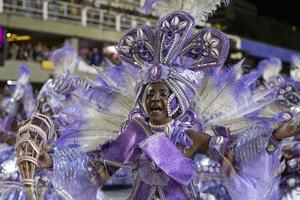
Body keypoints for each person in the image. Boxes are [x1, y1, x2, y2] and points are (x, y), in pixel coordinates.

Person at [17, 1, 300, 200]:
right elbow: (95, 167)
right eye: (149, 93)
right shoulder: (133, 132)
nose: (155, 99)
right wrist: (50, 161)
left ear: (179, 99)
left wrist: (273, 136)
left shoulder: (192, 130)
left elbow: (235, 154)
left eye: (163, 93)